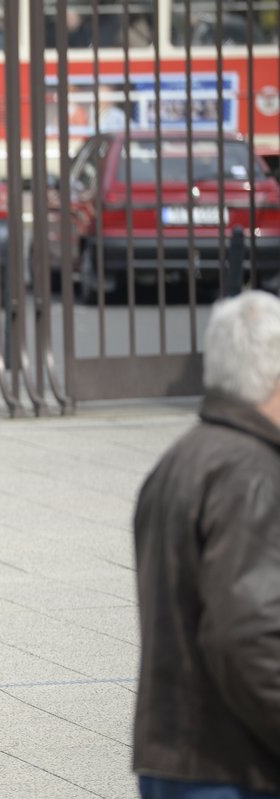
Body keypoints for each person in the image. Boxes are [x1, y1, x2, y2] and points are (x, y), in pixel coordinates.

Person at [132, 290, 280, 799]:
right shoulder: (251, 473)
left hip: (177, 755)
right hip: (231, 763)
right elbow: (248, 635)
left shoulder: (182, 458)